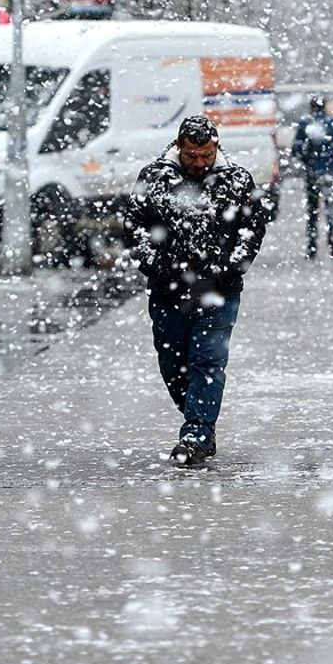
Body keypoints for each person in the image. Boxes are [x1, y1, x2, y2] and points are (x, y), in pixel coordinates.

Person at [125, 115, 272, 467]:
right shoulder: (155, 178)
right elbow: (134, 228)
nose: (199, 162)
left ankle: (197, 433)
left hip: (218, 292)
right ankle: (196, 413)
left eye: (205, 154)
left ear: (216, 147)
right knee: (173, 364)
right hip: (169, 291)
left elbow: (252, 229)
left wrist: (230, 268)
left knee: (207, 361)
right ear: (179, 148)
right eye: (192, 155)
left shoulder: (236, 180)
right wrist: (156, 267)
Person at [292, 96, 333, 260]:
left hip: (313, 173)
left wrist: (308, 161)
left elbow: (297, 149)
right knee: (331, 210)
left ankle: (312, 247)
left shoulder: (307, 124)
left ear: (311, 107)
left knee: (313, 211)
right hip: (332, 172)